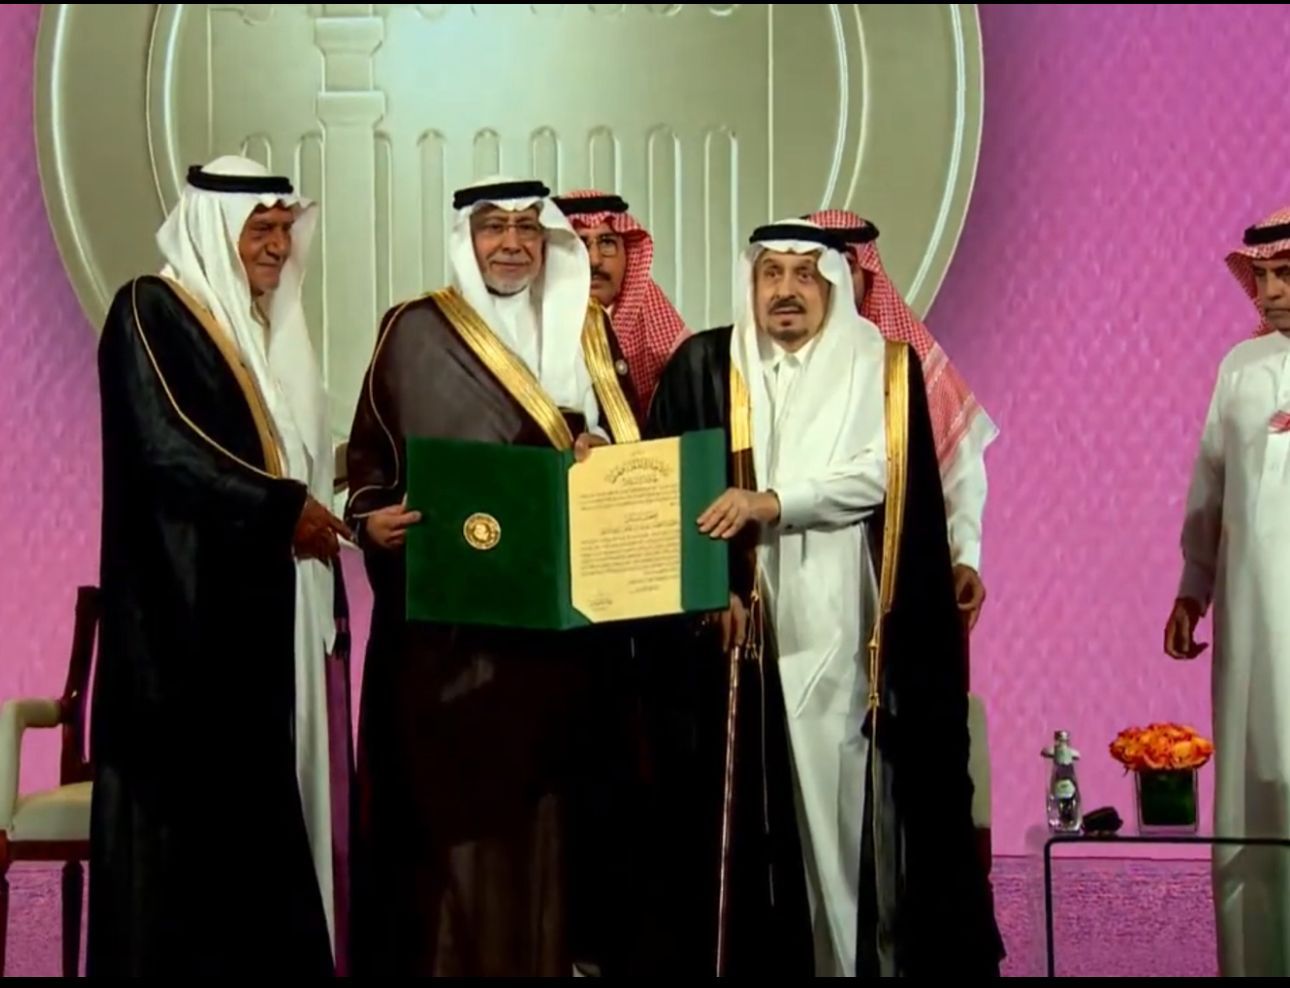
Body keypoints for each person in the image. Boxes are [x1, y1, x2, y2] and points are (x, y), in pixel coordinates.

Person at [637, 218, 1003, 977]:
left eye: (805, 275)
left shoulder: (882, 366)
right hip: (736, 638)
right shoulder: (710, 364)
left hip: (840, 627)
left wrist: (774, 503)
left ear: (834, 284)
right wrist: (711, 584)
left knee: (834, 817)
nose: (787, 291)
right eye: (772, 274)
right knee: (749, 825)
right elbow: (670, 483)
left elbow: (882, 472)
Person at [345, 176, 641, 977]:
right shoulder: (412, 329)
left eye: (526, 228)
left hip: (557, 637)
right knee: (452, 826)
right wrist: (370, 520)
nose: (511, 244)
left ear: (548, 240)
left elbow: (629, 459)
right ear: (465, 239)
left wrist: (602, 455)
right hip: (448, 642)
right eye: (493, 228)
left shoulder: (587, 331)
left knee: (550, 819)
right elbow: (369, 462)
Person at [89, 156, 354, 976]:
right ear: (214, 229)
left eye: (284, 230)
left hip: (243, 645)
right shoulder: (150, 309)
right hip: (174, 646)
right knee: (178, 882)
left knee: (252, 862)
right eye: (259, 230)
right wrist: (284, 511)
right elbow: (166, 446)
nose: (277, 246)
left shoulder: (255, 335)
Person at [1165, 206, 1290, 977]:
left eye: (1286, 275)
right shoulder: (1240, 368)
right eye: (1263, 276)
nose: (1271, 292)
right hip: (1249, 624)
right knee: (1252, 798)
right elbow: (1209, 490)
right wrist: (1192, 590)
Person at [807, 209, 998, 631]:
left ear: (862, 270)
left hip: (894, 576)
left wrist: (964, 557)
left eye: (844, 266)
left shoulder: (907, 361)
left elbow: (960, 470)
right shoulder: (774, 362)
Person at [553, 189, 690, 424]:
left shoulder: (654, 320)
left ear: (628, 254)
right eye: (580, 244)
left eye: (607, 243)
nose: (594, 260)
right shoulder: (535, 324)